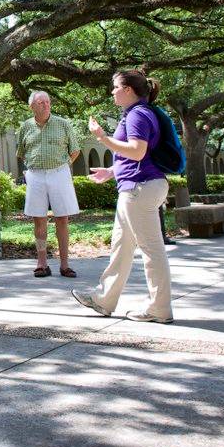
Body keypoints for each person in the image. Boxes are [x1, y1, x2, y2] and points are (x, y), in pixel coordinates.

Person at [73, 70, 174, 324]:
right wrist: (112, 171)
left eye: (115, 87)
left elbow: (138, 152)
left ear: (128, 89)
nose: (112, 91)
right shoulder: (135, 113)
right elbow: (137, 155)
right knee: (121, 245)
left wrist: (102, 138)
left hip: (140, 189)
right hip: (135, 187)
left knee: (151, 250)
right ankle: (104, 300)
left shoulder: (138, 114)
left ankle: (159, 308)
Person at [17, 91, 81, 278]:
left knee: (62, 218)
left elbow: (75, 150)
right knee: (39, 219)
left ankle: (65, 264)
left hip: (59, 172)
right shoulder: (26, 127)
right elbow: (21, 152)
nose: (45, 105)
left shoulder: (63, 124)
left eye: (47, 101)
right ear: (32, 106)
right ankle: (42, 263)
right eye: (41, 102)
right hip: (35, 174)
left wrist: (64, 165)